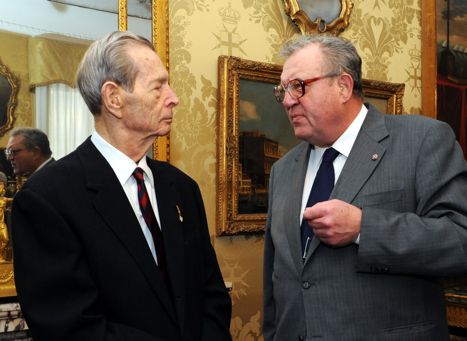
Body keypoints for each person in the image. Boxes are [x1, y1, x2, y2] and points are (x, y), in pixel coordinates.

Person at [12, 31, 232, 341]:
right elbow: (68, 325)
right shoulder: (47, 198)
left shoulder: (181, 187)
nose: (174, 97)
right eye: (158, 86)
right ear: (114, 98)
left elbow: (212, 296)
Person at [263, 34, 467, 340]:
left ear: (343, 86)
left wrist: (364, 228)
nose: (288, 100)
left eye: (299, 86)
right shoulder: (282, 169)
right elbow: (276, 279)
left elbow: (460, 241)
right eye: (283, 91)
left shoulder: (422, 141)